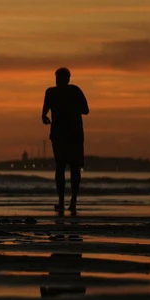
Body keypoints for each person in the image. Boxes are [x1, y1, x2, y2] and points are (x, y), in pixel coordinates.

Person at [42, 67, 90, 215]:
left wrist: (68, 108)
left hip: (73, 133)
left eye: (62, 79)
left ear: (68, 79)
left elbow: (86, 110)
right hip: (59, 134)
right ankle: (62, 201)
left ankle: (73, 201)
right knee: (61, 166)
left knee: (74, 167)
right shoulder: (51, 92)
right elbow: (44, 113)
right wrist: (45, 118)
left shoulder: (75, 91)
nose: (59, 82)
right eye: (57, 79)